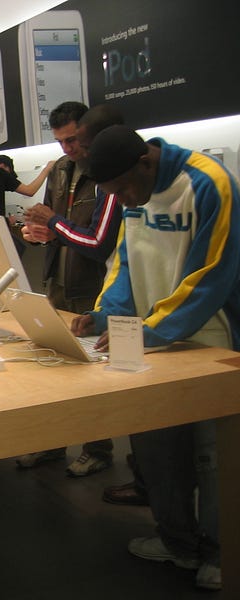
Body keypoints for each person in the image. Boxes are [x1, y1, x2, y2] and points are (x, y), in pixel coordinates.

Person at [71, 124, 240, 591]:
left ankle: (222, 553)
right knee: (157, 450)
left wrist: (153, 330)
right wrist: (105, 315)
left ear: (145, 162)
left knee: (212, 456)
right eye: (113, 194)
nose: (123, 201)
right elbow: (125, 262)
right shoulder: (132, 196)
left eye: (124, 189)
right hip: (151, 337)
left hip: (211, 338)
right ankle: (179, 543)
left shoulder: (209, 183)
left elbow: (212, 272)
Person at [16, 102, 124, 476]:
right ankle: (53, 442)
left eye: (73, 139)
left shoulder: (106, 172)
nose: (67, 148)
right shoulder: (60, 171)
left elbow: (99, 242)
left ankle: (98, 448)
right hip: (56, 279)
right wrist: (35, 234)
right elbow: (51, 225)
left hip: (90, 286)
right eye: (61, 141)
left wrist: (54, 224)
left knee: (91, 375)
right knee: (52, 366)